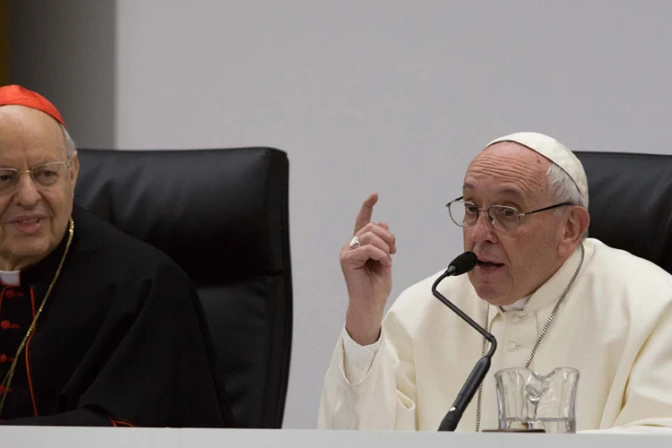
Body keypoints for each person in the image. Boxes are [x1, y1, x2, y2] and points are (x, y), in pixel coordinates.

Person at [319, 132, 672, 432]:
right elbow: (356, 439)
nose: (479, 233)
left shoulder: (653, 307)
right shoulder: (425, 308)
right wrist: (365, 313)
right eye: (471, 208)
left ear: (569, 229)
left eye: (507, 213)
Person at [0, 85, 235, 427]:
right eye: (4, 178)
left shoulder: (147, 284)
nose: (28, 196)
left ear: (72, 173)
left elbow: (134, 430)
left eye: (46, 174)